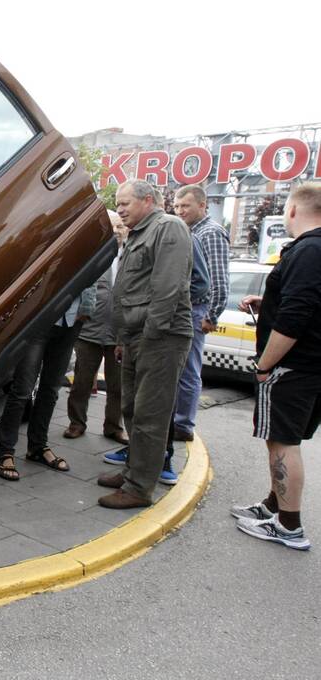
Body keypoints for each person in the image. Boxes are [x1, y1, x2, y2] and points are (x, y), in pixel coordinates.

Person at [232, 182, 321, 550]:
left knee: (282, 442)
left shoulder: (308, 249)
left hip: (293, 368)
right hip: (312, 366)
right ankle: (274, 506)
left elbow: (296, 315)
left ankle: (288, 525)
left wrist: (265, 364)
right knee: (287, 440)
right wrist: (266, 299)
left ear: (294, 210)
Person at [97, 180, 193, 508]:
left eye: (125, 203)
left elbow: (168, 288)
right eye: (117, 204)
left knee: (150, 414)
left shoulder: (169, 228)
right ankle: (132, 472)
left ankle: (139, 489)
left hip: (160, 337)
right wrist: (125, 339)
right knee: (131, 408)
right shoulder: (140, 231)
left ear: (148, 200)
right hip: (137, 336)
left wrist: (150, 335)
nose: (120, 209)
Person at [0, 286, 94, 481]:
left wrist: (87, 310)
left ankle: (37, 447)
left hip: (72, 320)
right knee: (22, 389)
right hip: (40, 318)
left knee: (50, 389)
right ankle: (5, 452)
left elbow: (94, 274)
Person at [64, 211, 129, 444]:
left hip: (119, 332)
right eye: (112, 227)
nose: (117, 231)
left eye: (121, 226)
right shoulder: (92, 255)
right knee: (81, 382)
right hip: (90, 330)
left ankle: (113, 427)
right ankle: (76, 423)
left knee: (118, 385)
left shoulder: (131, 254)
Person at [171, 184, 229, 442]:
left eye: (186, 206)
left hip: (197, 310)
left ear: (203, 205)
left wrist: (212, 315)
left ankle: (183, 425)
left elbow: (218, 279)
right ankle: (177, 420)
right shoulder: (189, 231)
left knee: (188, 370)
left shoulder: (211, 232)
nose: (180, 210)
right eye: (177, 206)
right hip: (187, 309)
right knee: (180, 368)